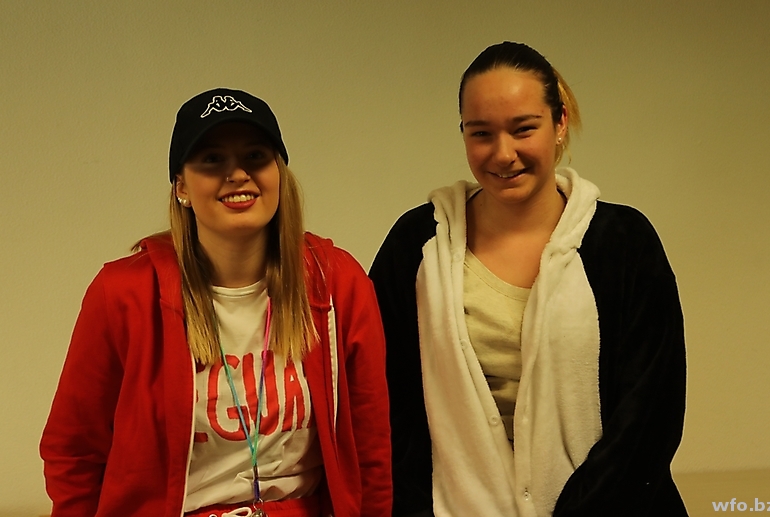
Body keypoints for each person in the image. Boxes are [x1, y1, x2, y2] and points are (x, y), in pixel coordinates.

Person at [369, 42, 688, 516]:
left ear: (559, 124)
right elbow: (382, 402)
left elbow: (649, 415)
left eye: (523, 129)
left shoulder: (624, 242)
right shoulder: (417, 244)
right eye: (481, 133)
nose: (503, 154)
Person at [41, 88, 392, 517]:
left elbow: (372, 448)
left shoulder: (337, 283)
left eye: (255, 156)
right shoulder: (122, 294)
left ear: (279, 174)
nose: (238, 173)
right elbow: (74, 450)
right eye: (212, 159)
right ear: (182, 187)